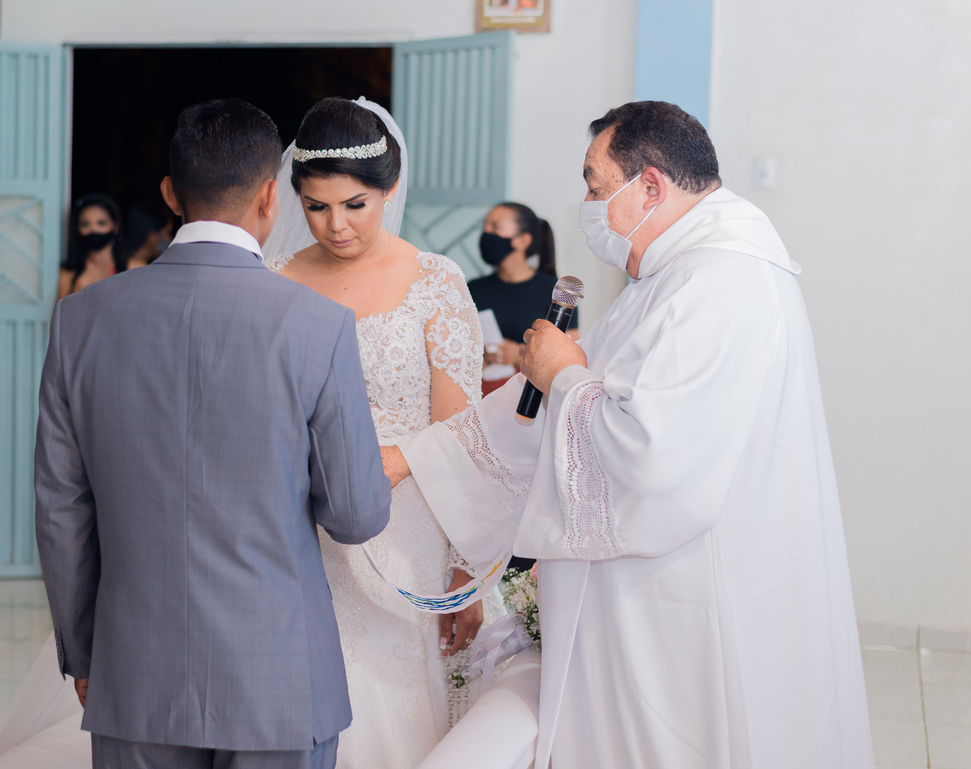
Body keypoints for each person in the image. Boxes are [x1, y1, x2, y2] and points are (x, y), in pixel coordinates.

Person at [387, 101, 874, 768]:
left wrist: (563, 376)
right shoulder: (677, 274)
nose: (587, 204)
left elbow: (650, 449)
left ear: (649, 186)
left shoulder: (719, 281)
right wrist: (418, 457)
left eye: (594, 184)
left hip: (684, 597)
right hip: (658, 590)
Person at [33, 98, 391, 769]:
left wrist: (87, 655)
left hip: (134, 672)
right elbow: (355, 513)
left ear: (170, 193)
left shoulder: (80, 320)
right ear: (269, 197)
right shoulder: (318, 325)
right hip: (279, 677)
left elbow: (60, 508)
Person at [264, 97, 487, 768]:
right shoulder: (274, 280)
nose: (335, 225)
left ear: (390, 189)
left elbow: (463, 435)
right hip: (302, 529)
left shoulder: (435, 283)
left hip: (409, 529)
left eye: (355, 204)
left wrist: (466, 572)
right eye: (315, 205)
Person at [469, 202, 574, 397]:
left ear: (523, 241)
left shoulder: (555, 291)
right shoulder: (473, 289)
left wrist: (519, 353)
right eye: (485, 226)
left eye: (495, 226)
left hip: (532, 400)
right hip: (482, 398)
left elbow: (570, 355)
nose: (486, 232)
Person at [56, 194, 121, 301]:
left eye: (101, 223)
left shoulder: (134, 267)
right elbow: (60, 316)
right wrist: (78, 289)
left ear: (115, 226)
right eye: (86, 224)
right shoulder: (68, 274)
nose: (93, 230)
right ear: (77, 229)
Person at [116, 202, 174, 271]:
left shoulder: (123, 263)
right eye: (167, 233)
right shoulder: (137, 269)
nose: (169, 238)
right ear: (152, 236)